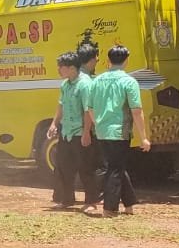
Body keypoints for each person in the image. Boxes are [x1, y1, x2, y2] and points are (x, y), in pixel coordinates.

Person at [84, 45, 152, 216]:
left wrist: (97, 123)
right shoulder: (129, 82)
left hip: (102, 130)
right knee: (114, 169)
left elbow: (89, 108)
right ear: (126, 60)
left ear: (108, 61)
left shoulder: (97, 80)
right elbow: (136, 110)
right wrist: (143, 137)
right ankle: (110, 208)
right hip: (119, 132)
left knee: (116, 166)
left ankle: (129, 205)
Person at [47, 52, 98, 212]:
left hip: (80, 132)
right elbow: (60, 105)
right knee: (63, 167)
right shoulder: (65, 84)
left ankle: (91, 201)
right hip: (66, 132)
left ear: (71, 68)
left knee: (85, 168)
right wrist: (54, 123)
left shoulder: (84, 84)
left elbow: (87, 110)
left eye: (61, 67)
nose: (58, 70)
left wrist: (86, 132)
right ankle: (67, 199)